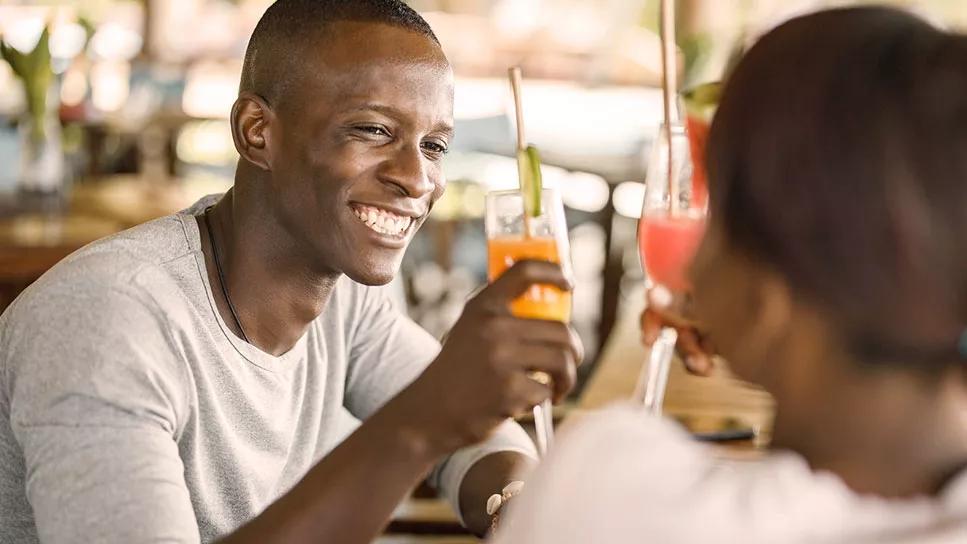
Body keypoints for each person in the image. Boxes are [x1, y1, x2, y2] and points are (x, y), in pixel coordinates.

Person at [0, 1, 582, 543]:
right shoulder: (106, 324)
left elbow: (475, 436)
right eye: (374, 130)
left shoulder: (344, 297)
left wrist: (520, 506)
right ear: (257, 132)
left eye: (433, 145)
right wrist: (420, 423)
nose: (418, 178)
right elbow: (434, 415)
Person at [494, 6, 967, 543]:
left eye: (715, 214)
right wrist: (773, 338)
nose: (693, 262)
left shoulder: (611, 494)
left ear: (769, 301)